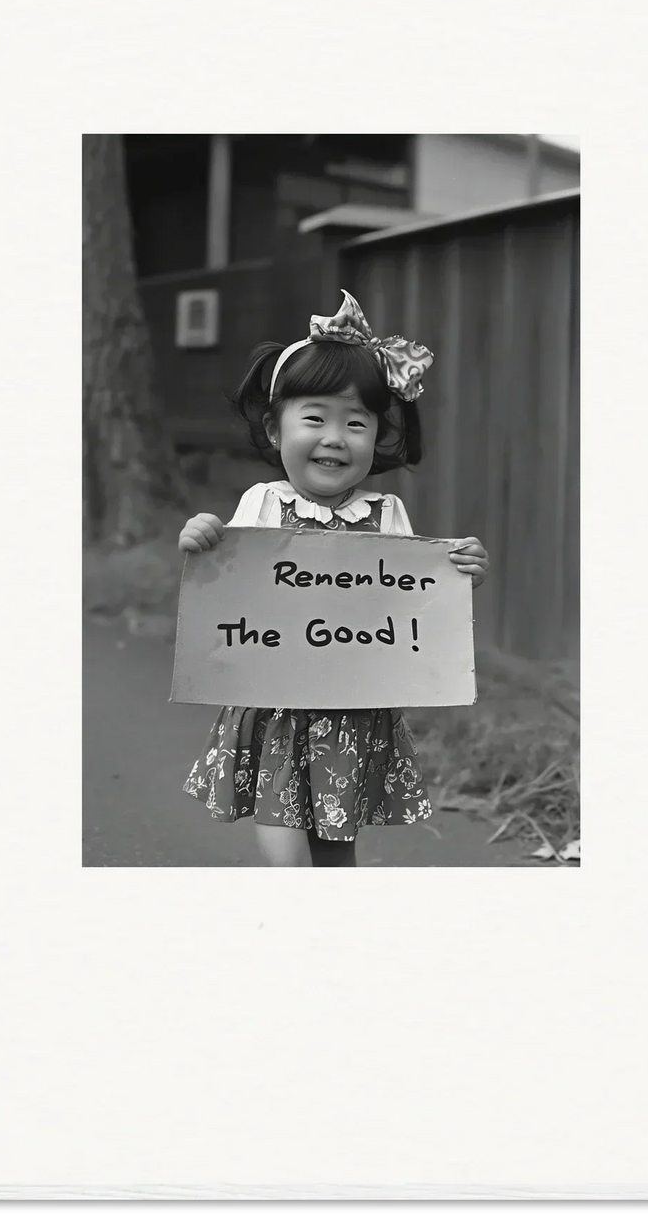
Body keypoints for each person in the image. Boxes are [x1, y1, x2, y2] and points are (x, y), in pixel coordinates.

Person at [179, 290, 489, 867]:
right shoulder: (262, 503)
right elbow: (227, 577)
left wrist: (460, 575)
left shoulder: (387, 515)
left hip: (353, 705)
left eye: (356, 423)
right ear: (275, 430)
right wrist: (200, 537)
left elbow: (409, 602)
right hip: (275, 701)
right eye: (315, 418)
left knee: (336, 836)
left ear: (376, 436)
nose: (334, 437)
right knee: (284, 834)